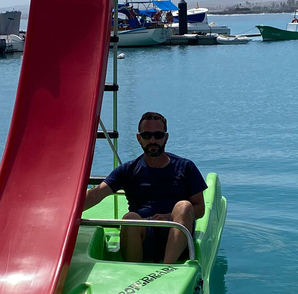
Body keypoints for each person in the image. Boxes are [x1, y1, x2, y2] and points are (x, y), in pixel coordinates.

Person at [84, 112, 207, 264]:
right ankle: (134, 271)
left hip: (177, 233)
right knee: (130, 218)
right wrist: (63, 213)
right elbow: (96, 194)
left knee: (183, 206)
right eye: (147, 135)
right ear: (139, 138)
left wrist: (169, 217)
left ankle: (167, 267)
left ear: (166, 137)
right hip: (143, 235)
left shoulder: (186, 167)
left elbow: (200, 208)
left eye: (158, 135)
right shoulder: (128, 170)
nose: (153, 140)